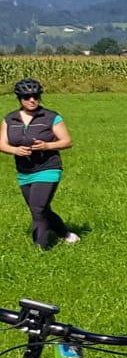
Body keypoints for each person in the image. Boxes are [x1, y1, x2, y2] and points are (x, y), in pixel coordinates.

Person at [2, 78, 76, 250]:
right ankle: (66, 234)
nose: (32, 100)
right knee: (43, 210)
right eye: (27, 97)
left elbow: (67, 141)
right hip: (24, 172)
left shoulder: (51, 117)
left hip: (48, 168)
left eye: (35, 96)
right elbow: (2, 143)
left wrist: (47, 145)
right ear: (19, 98)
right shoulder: (10, 119)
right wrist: (15, 150)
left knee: (37, 209)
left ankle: (40, 249)